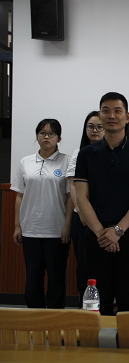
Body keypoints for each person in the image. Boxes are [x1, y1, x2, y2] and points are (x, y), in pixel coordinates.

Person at [75, 92, 129, 316]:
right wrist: (103, 234)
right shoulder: (86, 154)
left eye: (117, 111)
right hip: (96, 236)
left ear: (127, 117)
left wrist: (117, 231)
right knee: (98, 302)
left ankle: (128, 340)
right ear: (100, 116)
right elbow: (81, 198)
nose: (112, 116)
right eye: (106, 111)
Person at [11, 119, 72, 309]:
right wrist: (17, 226)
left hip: (57, 230)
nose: (46, 137)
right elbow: (19, 195)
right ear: (37, 136)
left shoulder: (67, 161)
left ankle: (55, 317)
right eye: (42, 133)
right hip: (31, 230)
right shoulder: (26, 162)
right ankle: (34, 318)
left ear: (59, 138)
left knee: (56, 278)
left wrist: (67, 226)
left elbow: (71, 197)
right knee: (33, 278)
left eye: (51, 133)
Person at [66, 111, 104, 306]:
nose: (95, 130)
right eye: (91, 126)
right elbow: (73, 185)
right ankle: (85, 305)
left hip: (105, 217)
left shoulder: (112, 152)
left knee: (103, 265)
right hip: (80, 219)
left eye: (99, 127)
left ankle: (103, 304)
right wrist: (81, 212)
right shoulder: (78, 153)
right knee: (83, 264)